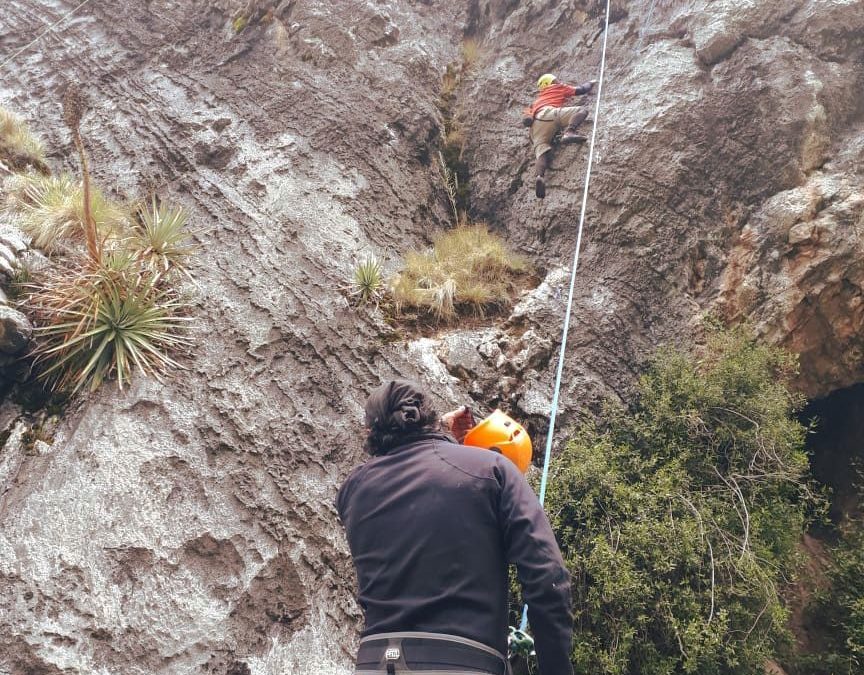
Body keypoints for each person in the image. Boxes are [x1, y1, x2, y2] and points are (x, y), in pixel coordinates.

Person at [336, 379, 573, 675]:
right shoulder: (492, 470)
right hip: (464, 663)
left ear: (369, 432)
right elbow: (547, 579)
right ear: (433, 419)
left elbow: (396, 468)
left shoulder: (352, 492)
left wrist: (436, 435)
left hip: (375, 664)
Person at [523, 73, 596, 199]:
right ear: (550, 82)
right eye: (555, 80)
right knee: (581, 111)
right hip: (549, 114)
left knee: (541, 152)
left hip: (535, 128)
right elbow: (581, 90)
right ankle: (570, 132)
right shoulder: (557, 87)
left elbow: (527, 115)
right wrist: (591, 82)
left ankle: (539, 176)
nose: (558, 81)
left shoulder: (536, 101)